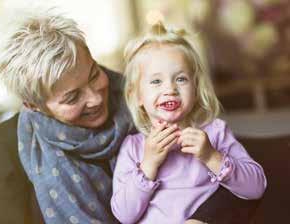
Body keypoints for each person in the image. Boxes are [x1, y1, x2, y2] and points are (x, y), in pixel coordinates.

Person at [110, 23, 267, 224]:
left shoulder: (215, 132)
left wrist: (211, 156)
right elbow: (124, 215)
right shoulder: (133, 148)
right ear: (136, 95)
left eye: (181, 79)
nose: (170, 89)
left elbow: (256, 187)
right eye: (156, 81)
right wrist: (148, 164)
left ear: (195, 88)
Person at [0, 11, 135, 224]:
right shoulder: (7, 143)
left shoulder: (143, 98)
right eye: (72, 97)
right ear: (34, 106)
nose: (95, 98)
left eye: (94, 75)